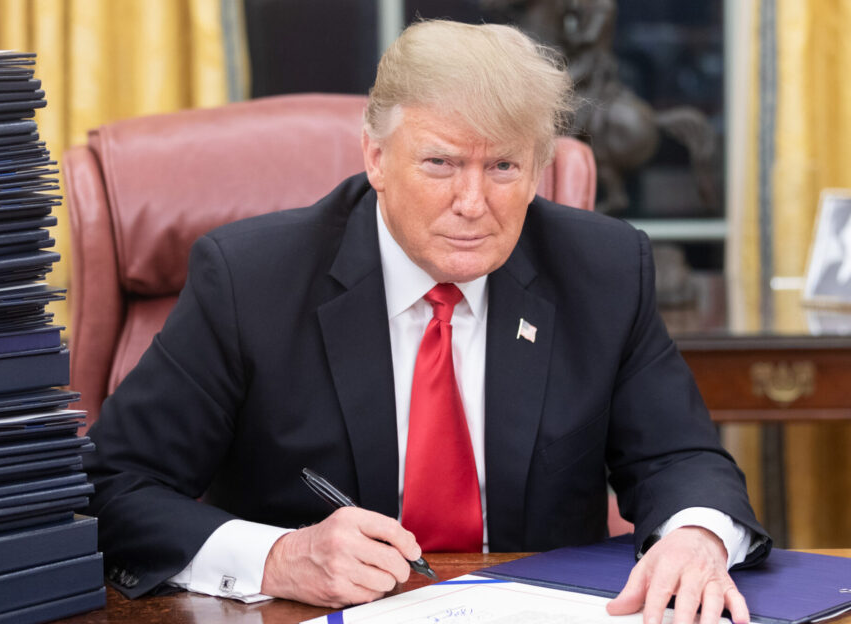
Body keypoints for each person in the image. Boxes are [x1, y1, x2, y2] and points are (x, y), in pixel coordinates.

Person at [84, 19, 769, 624]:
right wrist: (278, 557)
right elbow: (116, 488)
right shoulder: (251, 279)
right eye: (440, 163)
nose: (473, 202)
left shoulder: (604, 269)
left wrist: (694, 537)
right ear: (376, 157)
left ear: (538, 172)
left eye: (503, 165)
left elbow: (679, 459)